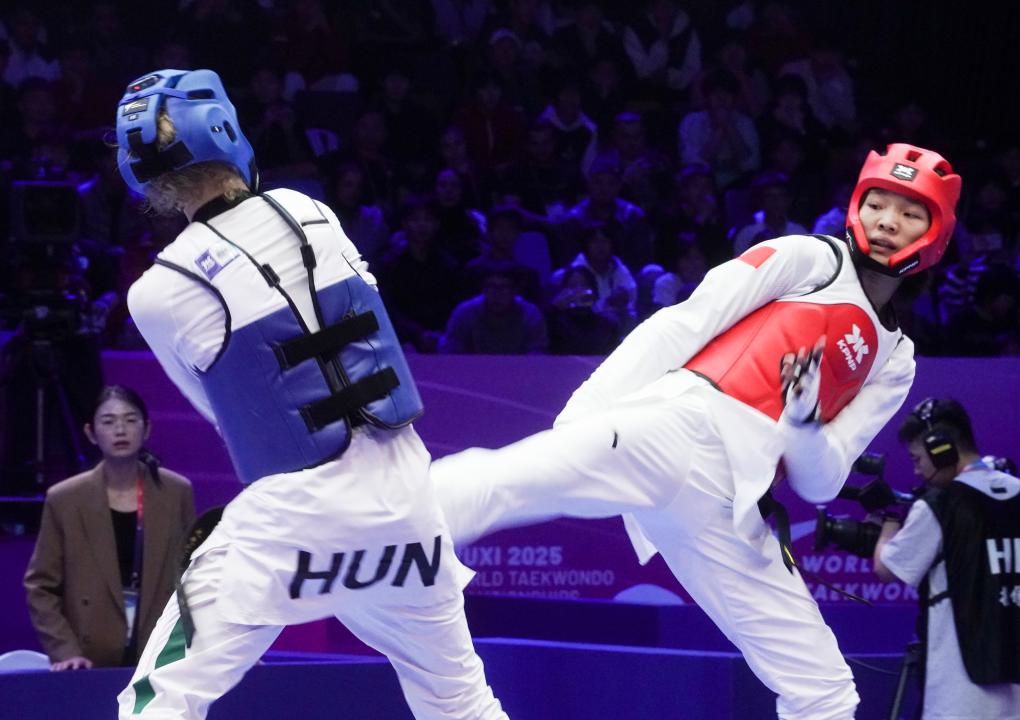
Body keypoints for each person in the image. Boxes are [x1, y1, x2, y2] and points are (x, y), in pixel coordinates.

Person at [432, 143, 962, 718]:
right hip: (679, 427)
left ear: (935, 233)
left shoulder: (895, 359)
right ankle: (375, 529)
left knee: (824, 688)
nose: (887, 222)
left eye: (909, 213)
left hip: (734, 505)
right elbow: (682, 324)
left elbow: (820, 482)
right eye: (878, 204)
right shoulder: (809, 257)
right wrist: (581, 423)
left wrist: (804, 419)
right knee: (505, 482)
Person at [112, 69, 507, 720]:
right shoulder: (311, 211)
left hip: (293, 523)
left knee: (159, 702)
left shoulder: (157, 291)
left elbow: (228, 414)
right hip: (406, 506)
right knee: (463, 704)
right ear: (225, 130)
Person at [24, 385, 194, 670]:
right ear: (90, 433)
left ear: (147, 429)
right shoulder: (65, 499)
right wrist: (66, 651)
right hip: (88, 662)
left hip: (160, 654)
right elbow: (40, 586)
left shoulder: (176, 492)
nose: (120, 430)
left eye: (130, 420)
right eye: (108, 421)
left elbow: (195, 576)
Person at [874, 398, 1020, 719]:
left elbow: (887, 568)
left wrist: (889, 524)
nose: (917, 470)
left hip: (960, 695)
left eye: (917, 459)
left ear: (941, 449)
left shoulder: (939, 505)